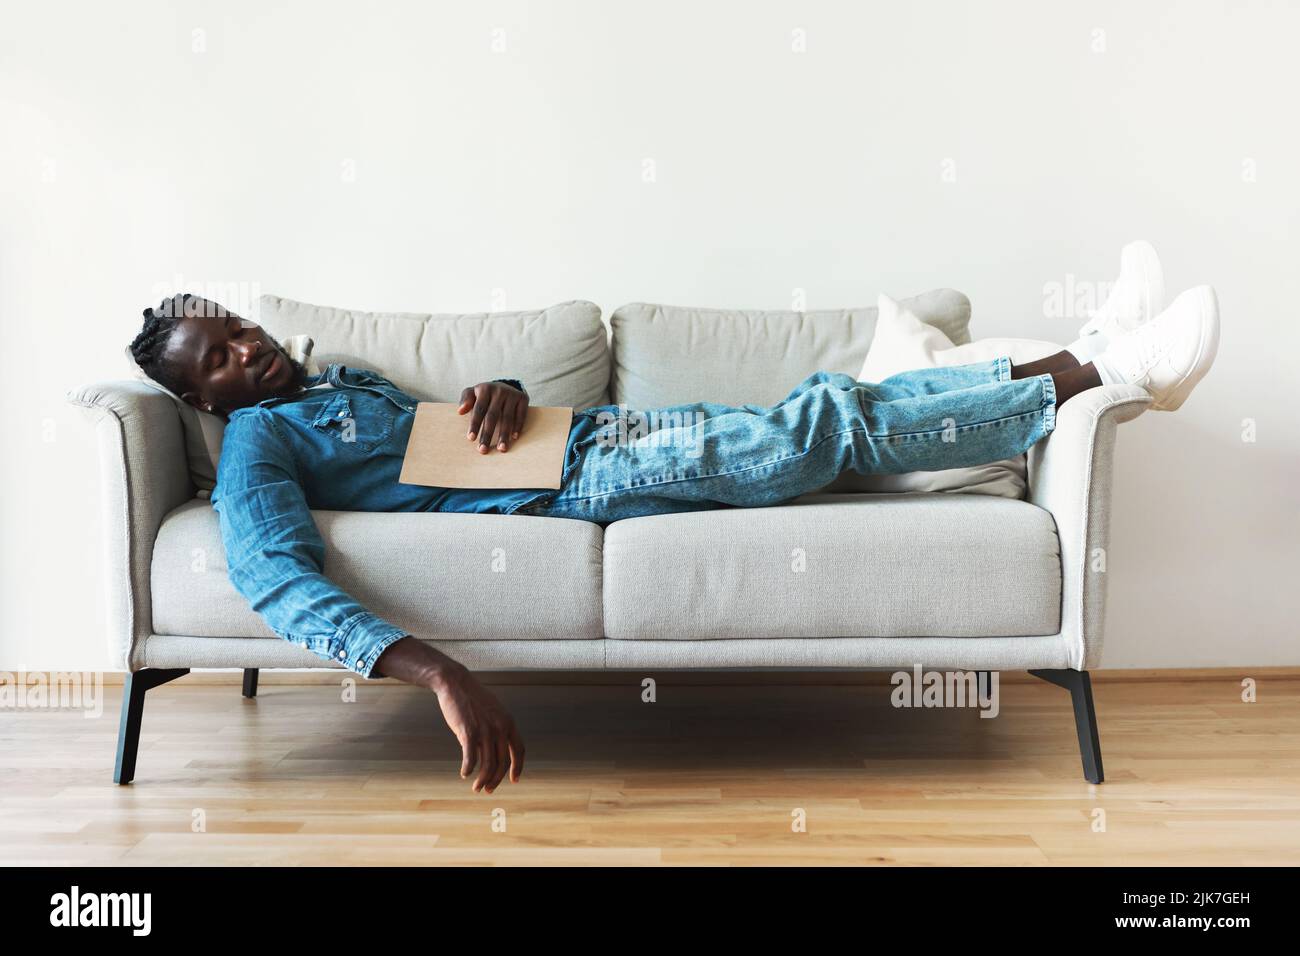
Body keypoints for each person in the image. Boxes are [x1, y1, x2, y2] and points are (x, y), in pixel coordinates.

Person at [125, 241, 1218, 794]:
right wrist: (437, 673)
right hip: (596, 483)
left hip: (599, 432)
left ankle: (1086, 358)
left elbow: (440, 437)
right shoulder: (261, 446)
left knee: (835, 411)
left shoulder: (337, 380)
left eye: (234, 328)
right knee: (818, 427)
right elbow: (272, 576)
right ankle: (1099, 370)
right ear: (204, 400)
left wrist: (501, 388)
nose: (243, 350)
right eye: (216, 359)